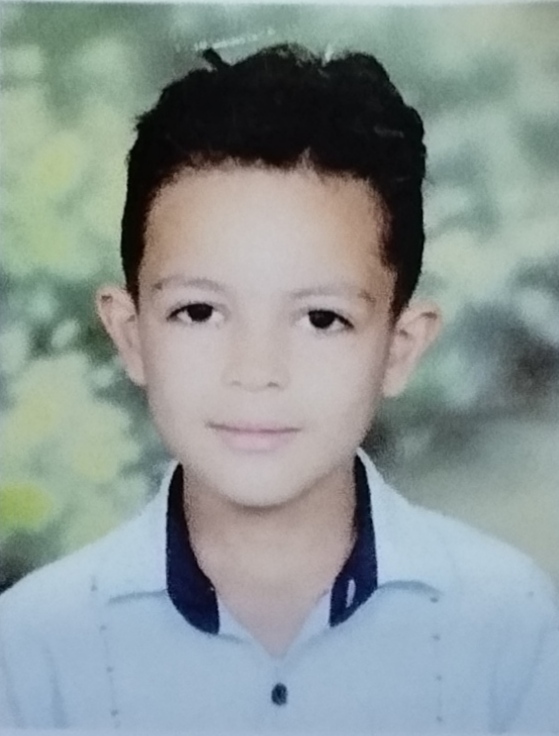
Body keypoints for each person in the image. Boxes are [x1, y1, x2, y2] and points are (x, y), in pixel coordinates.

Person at [0, 43, 557, 732]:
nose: (256, 370)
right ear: (130, 334)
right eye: (198, 312)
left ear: (400, 347)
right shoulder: (33, 646)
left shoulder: (508, 626)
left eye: (322, 319)